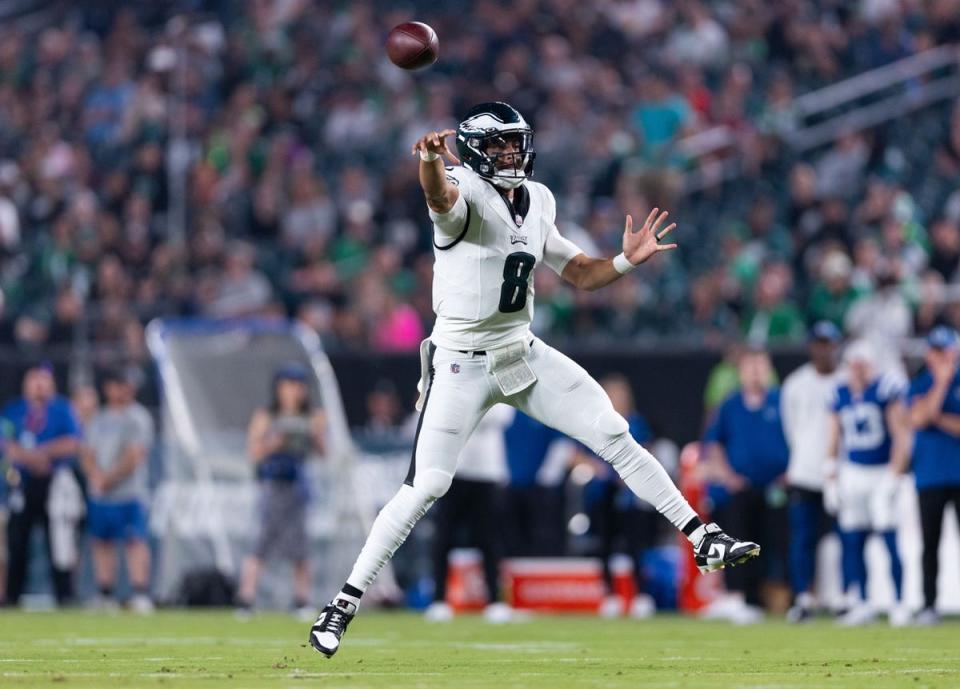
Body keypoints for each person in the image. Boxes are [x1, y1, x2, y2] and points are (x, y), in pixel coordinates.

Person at [309, 102, 759, 657]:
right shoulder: (462, 190)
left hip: (519, 351)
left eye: (514, 143)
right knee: (427, 485)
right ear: (473, 152)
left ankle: (702, 537)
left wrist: (622, 261)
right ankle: (343, 604)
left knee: (613, 432)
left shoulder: (539, 198)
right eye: (498, 146)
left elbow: (578, 272)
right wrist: (429, 161)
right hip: (460, 362)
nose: (510, 154)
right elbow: (439, 199)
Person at [701, 348, 790, 623]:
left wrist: (791, 472)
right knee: (734, 538)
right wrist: (727, 476)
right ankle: (736, 596)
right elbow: (714, 443)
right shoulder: (730, 404)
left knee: (775, 542)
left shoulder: (782, 401)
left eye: (759, 366)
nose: (754, 372)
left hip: (777, 486)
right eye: (749, 366)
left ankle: (771, 597)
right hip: (740, 487)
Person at [826, 341, 910, 627]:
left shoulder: (884, 390)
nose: (859, 370)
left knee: (889, 538)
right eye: (855, 364)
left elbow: (901, 435)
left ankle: (899, 602)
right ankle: (861, 601)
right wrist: (831, 476)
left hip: (880, 472)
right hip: (853, 472)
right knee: (852, 541)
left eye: (864, 364)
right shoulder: (838, 393)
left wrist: (894, 474)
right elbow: (833, 437)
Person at [237, 362, 325, 618]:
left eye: (298, 386)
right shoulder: (267, 415)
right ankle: (246, 597)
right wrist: (274, 443)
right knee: (262, 541)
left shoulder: (311, 416)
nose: (294, 391)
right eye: (289, 385)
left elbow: (322, 451)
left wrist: (316, 436)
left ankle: (301, 599)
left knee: (300, 546)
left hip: (298, 485)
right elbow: (254, 452)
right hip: (273, 485)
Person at [578, 375, 661, 619]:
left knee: (636, 545)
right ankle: (610, 595)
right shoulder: (591, 422)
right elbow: (576, 454)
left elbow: (648, 451)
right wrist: (596, 467)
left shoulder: (636, 423)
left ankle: (641, 596)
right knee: (604, 545)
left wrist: (631, 474)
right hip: (602, 494)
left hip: (629, 495)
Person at [424, 403, 514, 624]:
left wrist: (465, 410)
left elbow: (503, 415)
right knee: (443, 537)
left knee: (490, 540)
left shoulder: (499, 374)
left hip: (488, 472)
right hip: (453, 469)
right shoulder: (450, 371)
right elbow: (440, 412)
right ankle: (439, 601)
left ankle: (495, 601)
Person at [1, 363, 82, 606]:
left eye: (43, 380)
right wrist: (33, 458)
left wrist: (40, 454)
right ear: (26, 384)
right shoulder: (14, 410)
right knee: (17, 541)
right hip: (22, 484)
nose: (38, 385)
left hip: (55, 482)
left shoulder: (62, 409)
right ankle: (12, 596)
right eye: (33, 379)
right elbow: (6, 443)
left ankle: (64, 595)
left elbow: (72, 442)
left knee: (60, 539)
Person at [780, 321, 844, 622]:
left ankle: (842, 595)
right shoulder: (796, 384)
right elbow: (790, 429)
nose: (824, 349)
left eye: (828, 343)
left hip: (842, 473)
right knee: (803, 538)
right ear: (811, 347)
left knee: (843, 538)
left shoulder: (846, 380)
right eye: (819, 343)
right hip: (805, 471)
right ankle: (803, 597)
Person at [80, 369, 155, 613]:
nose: (123, 390)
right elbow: (87, 453)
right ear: (108, 388)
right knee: (102, 543)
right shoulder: (98, 419)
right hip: (101, 494)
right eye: (118, 384)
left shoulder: (138, 417)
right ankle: (105, 594)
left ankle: (140, 593)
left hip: (129, 492)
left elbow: (135, 455)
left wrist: (108, 478)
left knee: (135, 542)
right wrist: (95, 476)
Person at [905, 326, 960, 625]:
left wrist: (934, 416)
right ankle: (929, 604)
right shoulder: (920, 384)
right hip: (929, 476)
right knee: (930, 545)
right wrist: (940, 385)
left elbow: (926, 417)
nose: (941, 357)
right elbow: (916, 419)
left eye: (945, 350)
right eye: (936, 351)